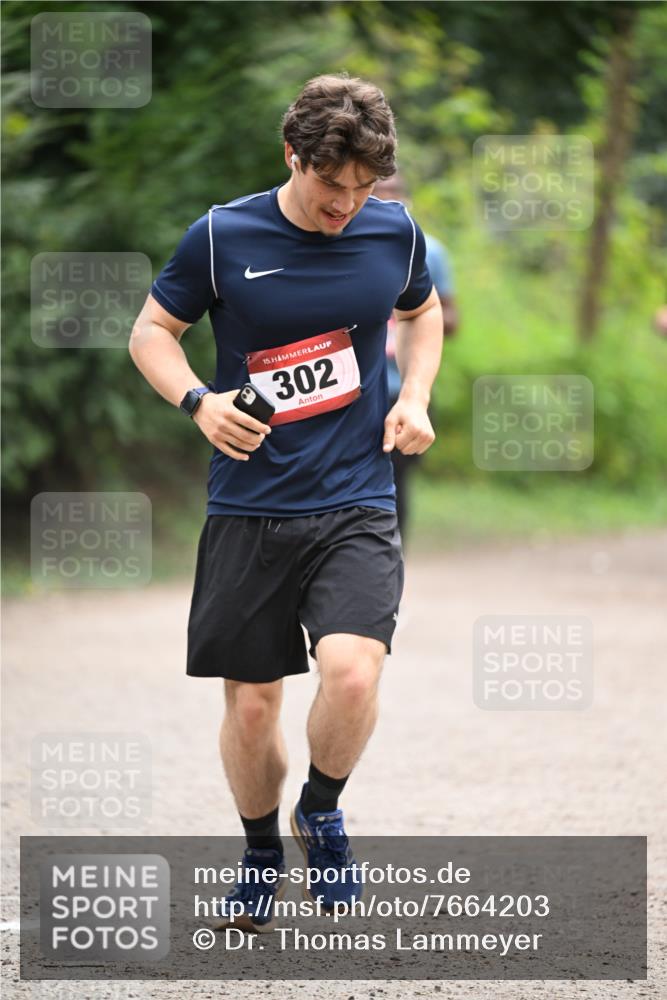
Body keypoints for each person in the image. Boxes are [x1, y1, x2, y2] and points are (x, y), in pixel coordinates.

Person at [129, 73, 443, 930]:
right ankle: (261, 850)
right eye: (328, 183)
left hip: (355, 497)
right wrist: (200, 402)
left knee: (349, 672)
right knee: (255, 702)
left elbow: (421, 316)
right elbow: (151, 333)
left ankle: (324, 808)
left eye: (361, 187)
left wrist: (412, 396)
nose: (346, 203)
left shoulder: (394, 229)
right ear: (291, 156)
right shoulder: (222, 235)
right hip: (249, 505)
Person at [374, 172, 458, 541]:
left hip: (403, 389)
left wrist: (412, 311)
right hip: (355, 389)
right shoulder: (341, 246)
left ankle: (391, 567)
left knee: (395, 483)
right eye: (381, 192)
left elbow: (451, 316)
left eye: (397, 192)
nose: (391, 199)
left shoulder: (427, 250)